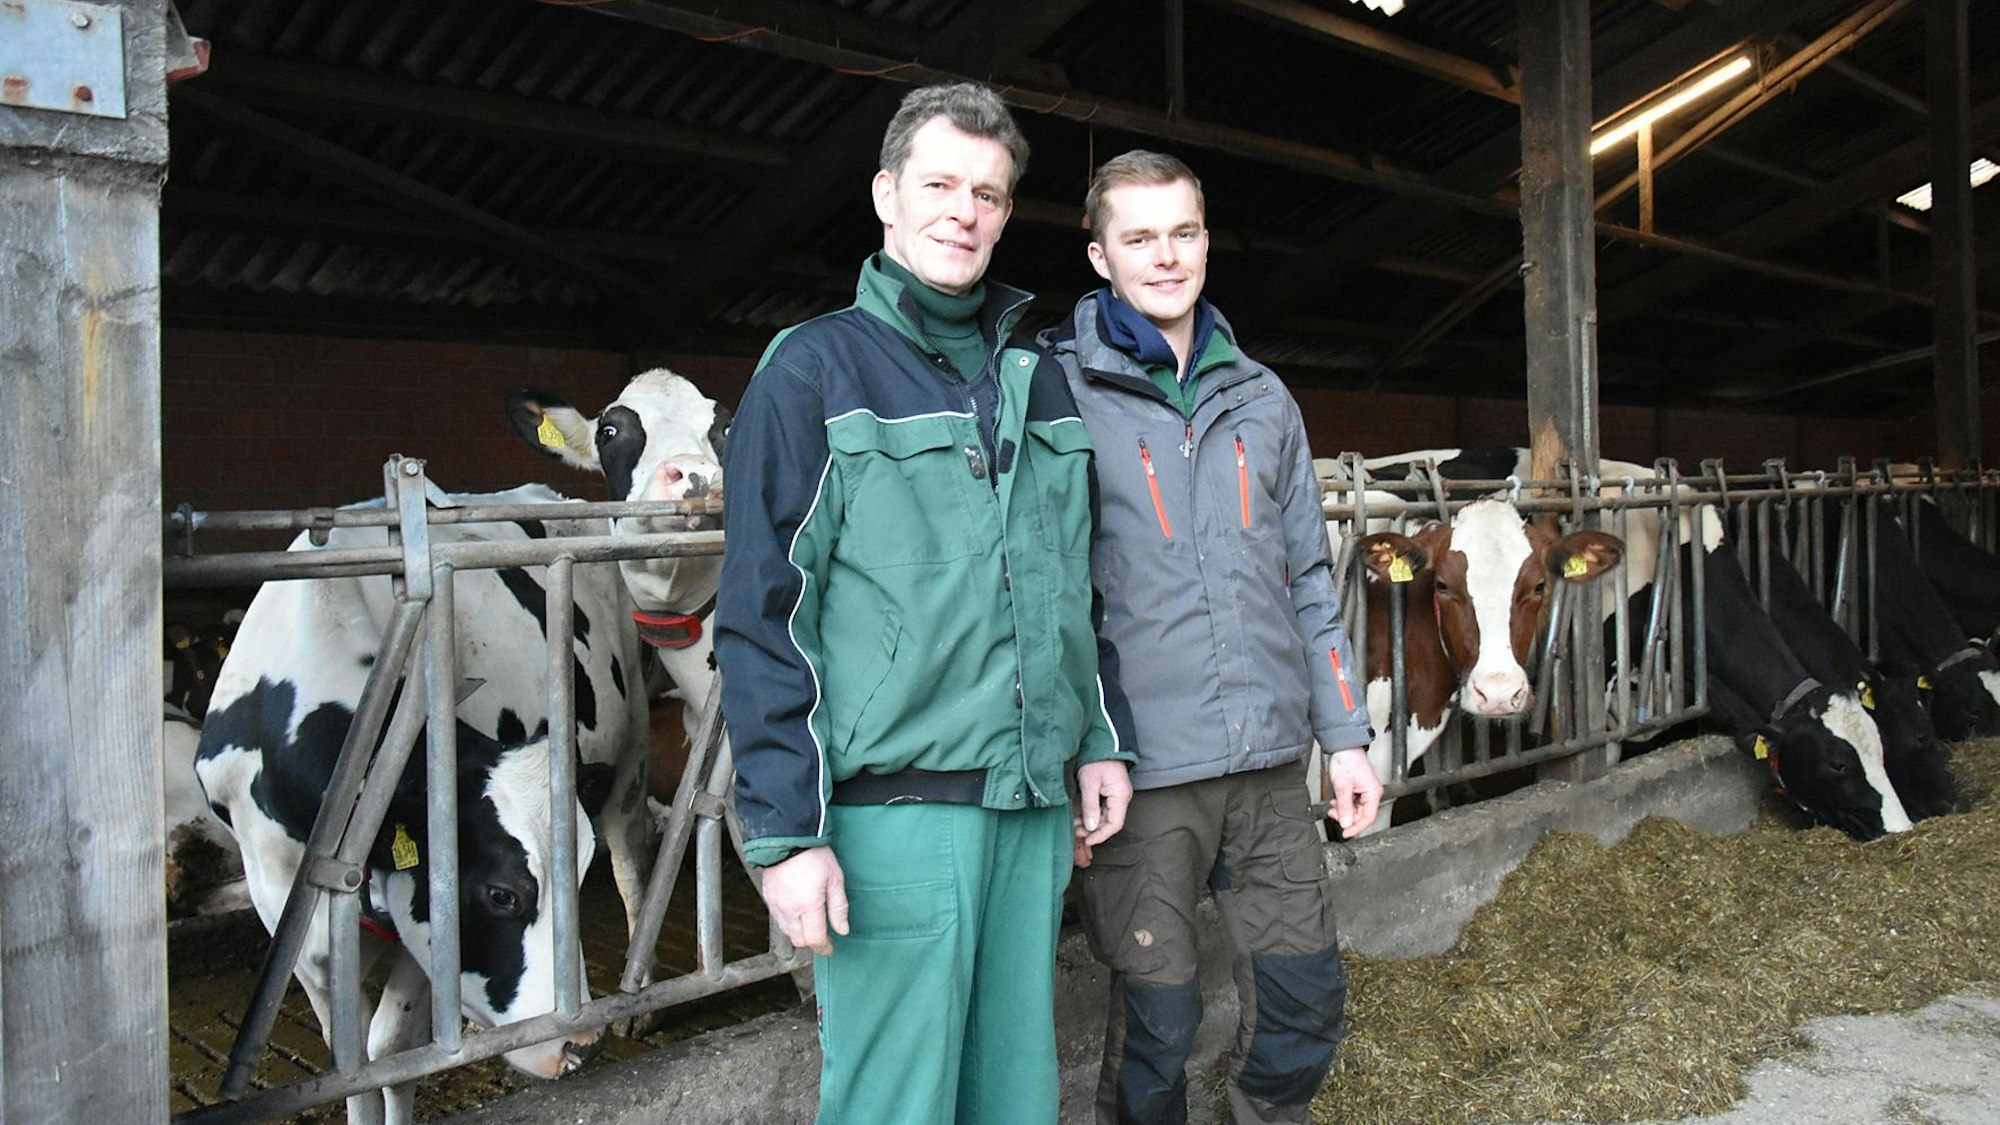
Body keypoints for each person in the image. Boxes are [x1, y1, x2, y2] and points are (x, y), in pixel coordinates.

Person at [713, 82, 1135, 1125]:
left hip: (1028, 810)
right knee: (895, 1105)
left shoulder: (1038, 381)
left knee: (1014, 1097)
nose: (963, 211)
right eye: (938, 185)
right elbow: (764, 612)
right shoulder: (811, 370)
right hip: (892, 815)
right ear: (885, 196)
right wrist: (786, 834)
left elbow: (1071, 581)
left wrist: (1093, 739)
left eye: (986, 194)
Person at [1040, 150, 1384, 1125]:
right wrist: (1077, 749)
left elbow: (1307, 580)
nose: (1164, 256)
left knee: (1304, 1001)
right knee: (1159, 1020)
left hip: (1271, 767)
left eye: (1181, 232)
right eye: (1137, 237)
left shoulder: (1262, 398)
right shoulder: (1055, 394)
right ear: (1099, 254)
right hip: (1140, 774)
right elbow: (1048, 595)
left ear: (1203, 238)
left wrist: (1346, 734)